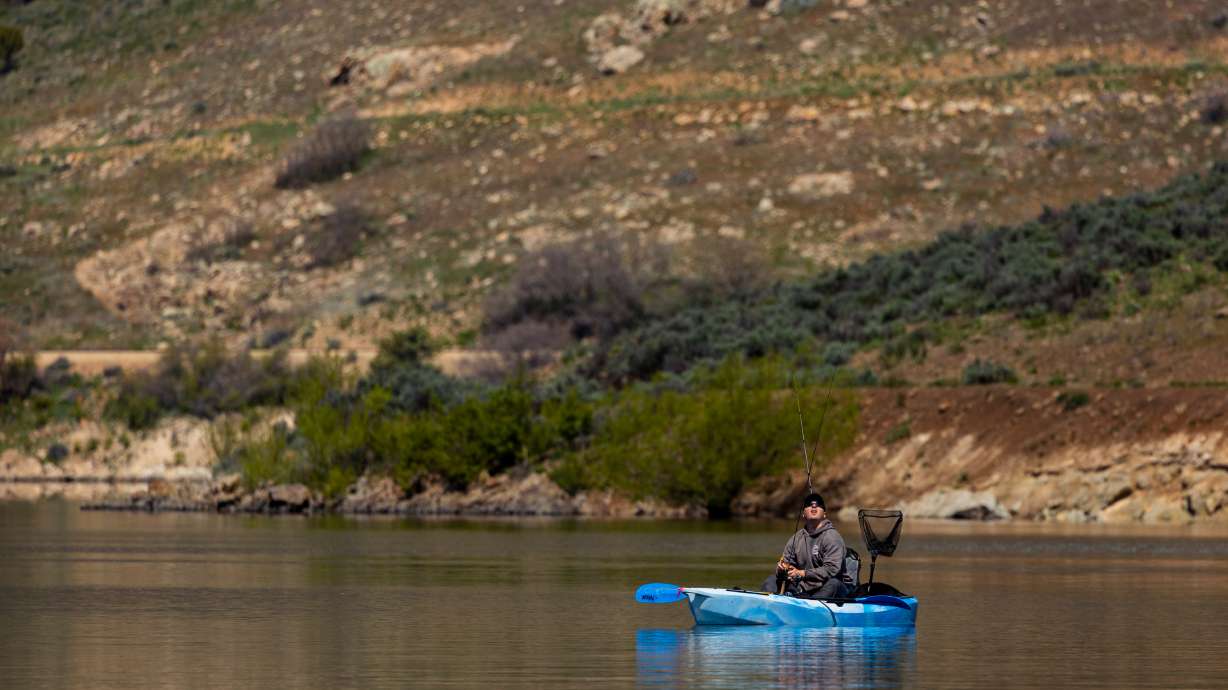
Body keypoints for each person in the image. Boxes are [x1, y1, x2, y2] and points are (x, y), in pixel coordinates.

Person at [761, 492, 851, 599]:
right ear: (803, 513)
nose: (814, 505)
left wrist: (802, 573)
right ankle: (769, 605)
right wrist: (782, 570)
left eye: (818, 504)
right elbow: (785, 565)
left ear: (824, 514)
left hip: (833, 589)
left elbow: (831, 570)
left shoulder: (832, 537)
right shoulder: (796, 538)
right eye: (809, 504)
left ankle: (808, 605)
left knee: (833, 584)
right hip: (804, 589)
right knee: (771, 580)